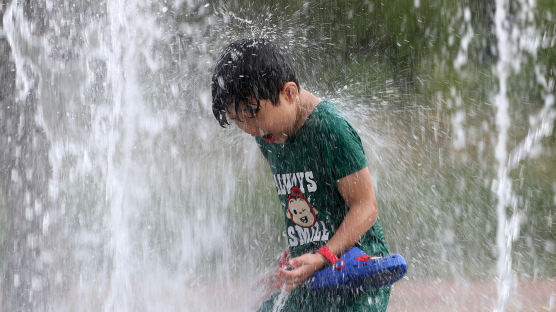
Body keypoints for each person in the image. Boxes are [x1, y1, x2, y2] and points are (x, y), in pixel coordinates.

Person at [211, 38, 390, 312]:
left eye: (253, 117)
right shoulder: (268, 134)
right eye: (237, 121)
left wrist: (323, 256)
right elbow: (308, 206)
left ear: (290, 93)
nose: (248, 130)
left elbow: (366, 207)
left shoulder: (330, 129)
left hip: (357, 274)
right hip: (315, 272)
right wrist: (292, 260)